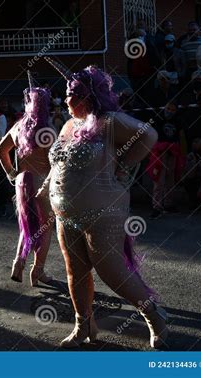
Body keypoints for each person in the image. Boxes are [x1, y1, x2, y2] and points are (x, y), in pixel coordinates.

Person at [42, 57, 166, 349]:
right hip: (64, 214)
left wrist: (124, 165)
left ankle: (154, 316)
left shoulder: (108, 121)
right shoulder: (68, 126)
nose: (65, 98)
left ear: (88, 95)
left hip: (103, 211)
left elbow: (148, 134)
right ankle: (83, 327)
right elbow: (57, 163)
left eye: (71, 94)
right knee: (75, 271)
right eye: (66, 93)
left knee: (111, 271)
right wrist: (45, 188)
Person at [0, 72, 55, 286]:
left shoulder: (18, 126)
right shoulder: (48, 129)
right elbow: (56, 162)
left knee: (26, 226)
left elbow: (1, 149)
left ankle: (18, 264)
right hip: (42, 183)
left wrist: (11, 173)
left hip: (22, 182)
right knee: (46, 227)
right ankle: (37, 271)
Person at [147, 102, 186, 219]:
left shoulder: (177, 122)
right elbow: (151, 134)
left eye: (173, 110)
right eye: (168, 108)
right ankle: (156, 207)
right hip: (160, 152)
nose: (170, 111)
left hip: (172, 152)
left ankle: (168, 205)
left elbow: (180, 136)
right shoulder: (157, 119)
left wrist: (182, 153)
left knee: (170, 180)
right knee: (159, 179)